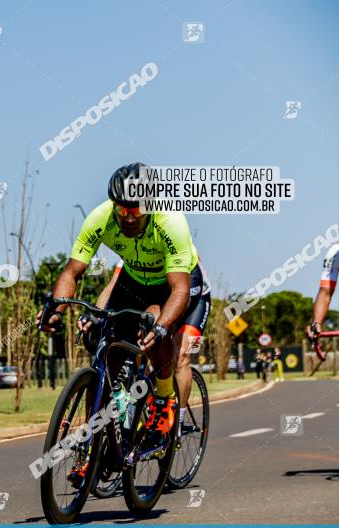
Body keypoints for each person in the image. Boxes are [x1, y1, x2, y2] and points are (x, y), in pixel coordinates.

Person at [39, 162, 203, 485]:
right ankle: (93, 449)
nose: (127, 216)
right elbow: (72, 271)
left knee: (156, 330)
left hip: (174, 284)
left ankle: (162, 400)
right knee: (107, 356)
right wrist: (55, 308)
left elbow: (179, 290)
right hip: (132, 281)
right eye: (121, 208)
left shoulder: (170, 222)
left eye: (135, 210)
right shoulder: (100, 217)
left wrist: (160, 327)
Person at [93, 257, 211, 437]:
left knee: (180, 355)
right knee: (143, 348)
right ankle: (140, 414)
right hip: (158, 300)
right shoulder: (131, 255)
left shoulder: (174, 246)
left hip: (193, 295)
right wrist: (97, 316)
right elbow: (111, 288)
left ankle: (175, 423)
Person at [307, 239, 339, 343]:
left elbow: (325, 293)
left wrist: (317, 322)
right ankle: (316, 325)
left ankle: (316, 325)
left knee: (325, 290)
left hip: (334, 252)